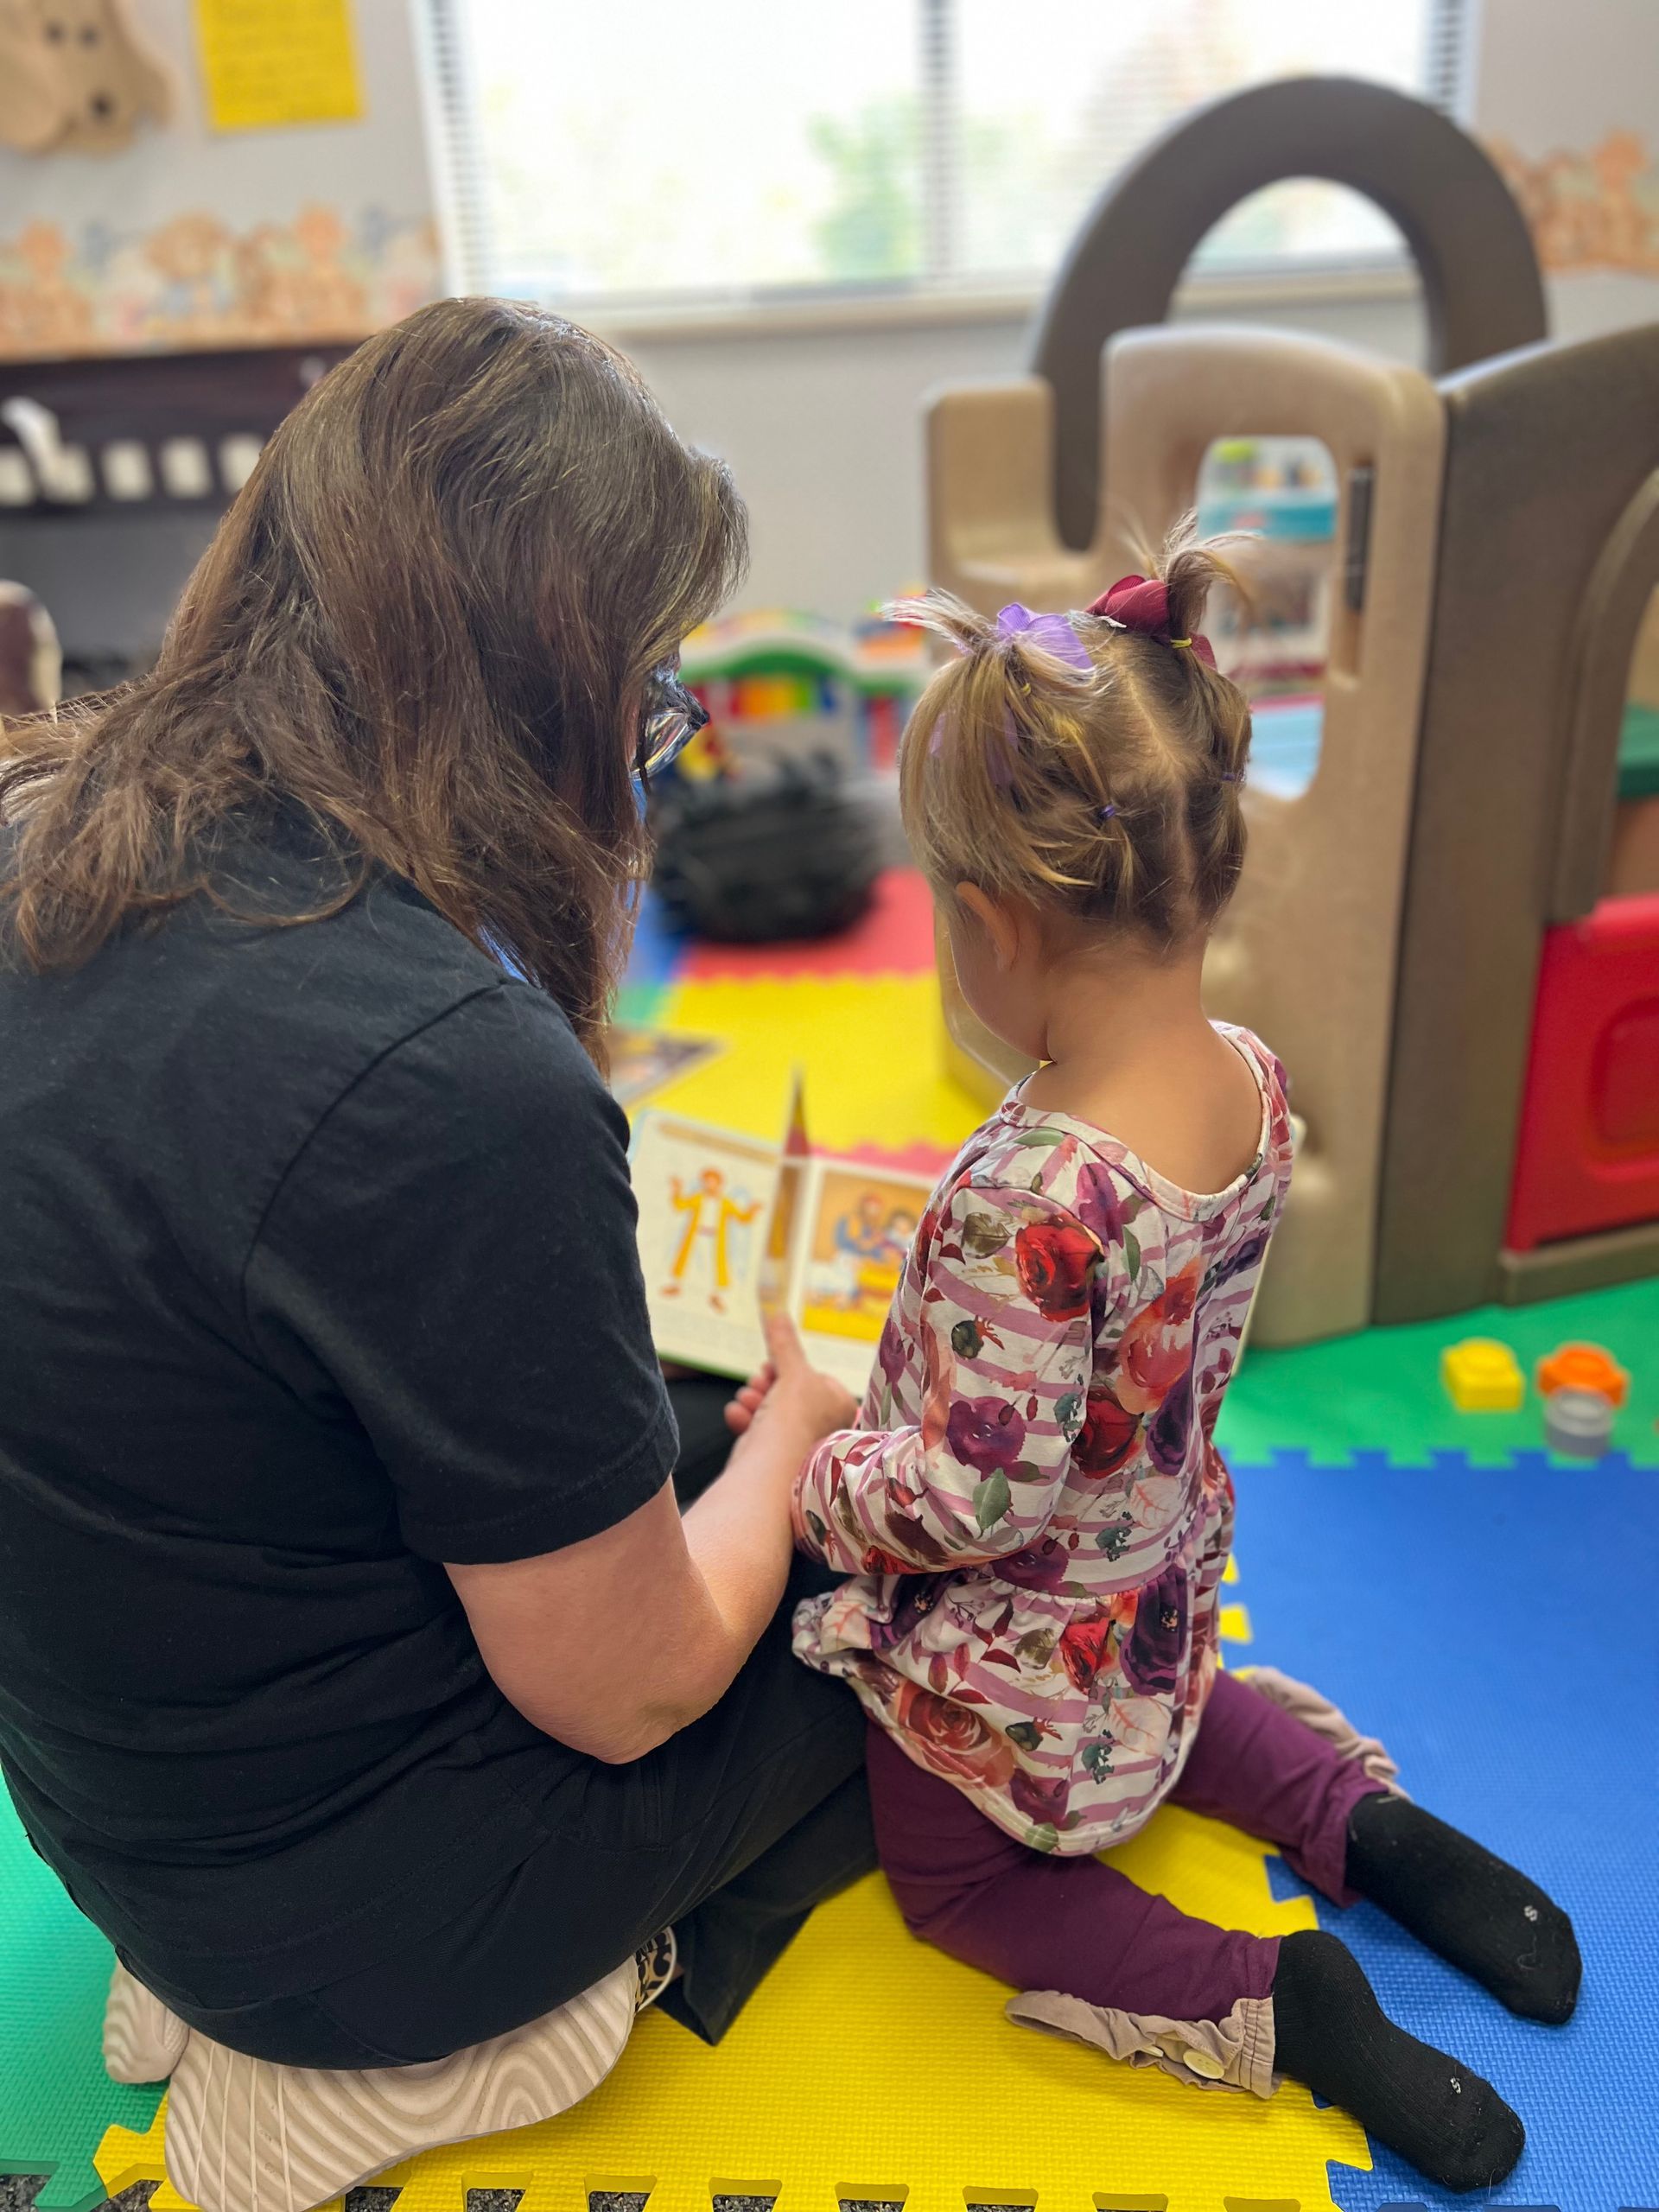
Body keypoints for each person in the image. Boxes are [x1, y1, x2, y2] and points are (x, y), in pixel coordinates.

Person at [0, 297, 869, 2069]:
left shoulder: (37, 834)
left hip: (117, 1808)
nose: (650, 752)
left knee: (694, 1417)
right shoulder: (452, 1080)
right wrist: (794, 1445)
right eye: (648, 704)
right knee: (901, 1596)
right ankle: (512, 2039)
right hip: (364, 1924)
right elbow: (625, 1689)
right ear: (550, 687)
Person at [733, 537, 1580, 2195]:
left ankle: (1283, 1993)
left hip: (1024, 1667)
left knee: (955, 1882)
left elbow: (970, 1504)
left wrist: (822, 1459)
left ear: (991, 928)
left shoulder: (1028, 1199)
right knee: (1192, 1722)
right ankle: (1376, 1831)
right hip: (1158, 1612)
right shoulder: (1252, 1084)